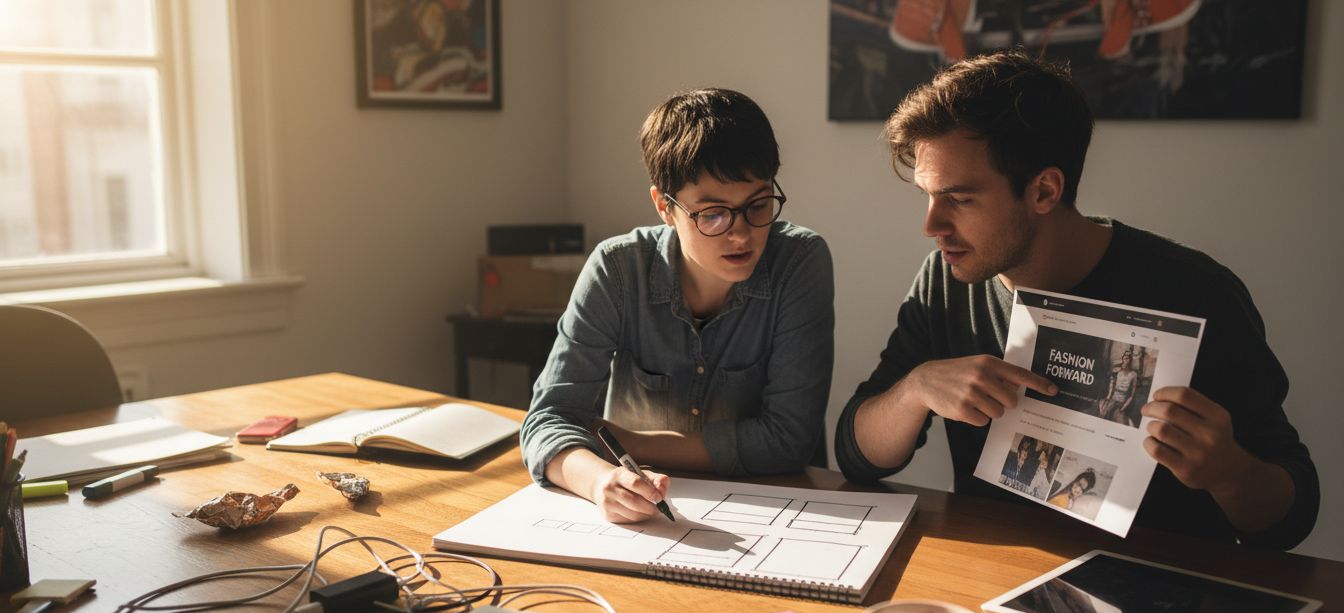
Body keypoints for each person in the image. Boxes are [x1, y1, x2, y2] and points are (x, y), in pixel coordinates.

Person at [835, 50, 1317, 549]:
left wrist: (1229, 473)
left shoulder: (1196, 292)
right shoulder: (946, 279)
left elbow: (1292, 517)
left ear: (1044, 191)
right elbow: (856, 453)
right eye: (927, 196)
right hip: (992, 583)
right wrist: (916, 388)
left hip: (1157, 591)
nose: (930, 226)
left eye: (958, 199)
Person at [521, 88, 834, 523]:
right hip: (645, 519)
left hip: (779, 511)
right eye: (713, 214)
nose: (742, 234)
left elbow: (789, 440)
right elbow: (548, 420)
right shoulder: (617, 269)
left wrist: (629, 442)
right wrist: (598, 482)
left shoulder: (799, 262)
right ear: (664, 207)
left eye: (758, 205)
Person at [1097, 350, 1139, 425]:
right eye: (1125, 357)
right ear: (1122, 358)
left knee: (1121, 419)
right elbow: (1111, 387)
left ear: (1131, 360)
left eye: (1128, 357)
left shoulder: (1133, 374)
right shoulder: (1116, 370)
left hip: (1121, 403)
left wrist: (1123, 407)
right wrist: (1107, 399)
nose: (1126, 359)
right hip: (1112, 400)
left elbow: (1132, 395)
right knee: (1102, 412)